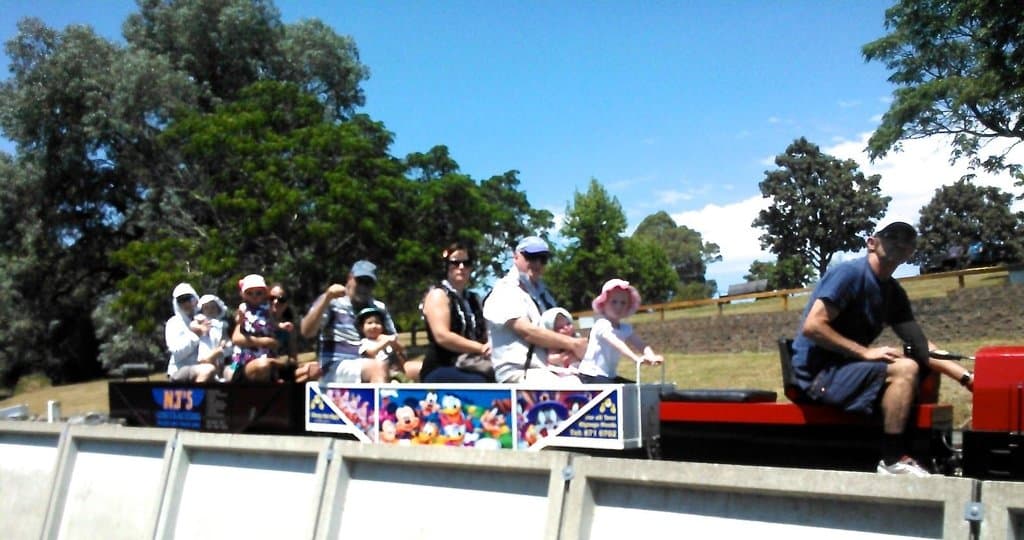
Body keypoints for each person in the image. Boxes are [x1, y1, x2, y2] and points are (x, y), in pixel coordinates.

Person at [790, 221, 975, 477]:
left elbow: (920, 345)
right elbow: (813, 326)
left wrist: (968, 379)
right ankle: (891, 460)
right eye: (892, 236)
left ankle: (919, 447)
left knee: (915, 356)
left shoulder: (893, 292)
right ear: (872, 243)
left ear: (911, 252)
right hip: (818, 374)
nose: (900, 243)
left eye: (908, 240)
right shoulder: (850, 274)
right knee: (905, 369)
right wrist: (865, 353)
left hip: (846, 368)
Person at [483, 236, 587, 383]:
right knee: (573, 386)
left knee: (601, 380)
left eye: (543, 259)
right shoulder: (505, 291)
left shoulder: (544, 294)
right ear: (516, 256)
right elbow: (528, 332)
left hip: (550, 368)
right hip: (519, 373)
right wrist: (572, 344)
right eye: (531, 257)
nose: (537, 263)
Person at [300, 260, 398, 383]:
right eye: (360, 281)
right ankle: (383, 401)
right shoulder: (332, 302)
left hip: (374, 364)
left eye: (368, 283)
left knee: (414, 370)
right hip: (335, 367)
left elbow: (394, 341)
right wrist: (327, 297)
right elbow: (306, 332)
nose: (363, 287)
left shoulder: (379, 308)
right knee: (376, 368)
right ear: (350, 278)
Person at [420, 243, 492, 383]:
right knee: (481, 381)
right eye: (455, 263)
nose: (461, 267)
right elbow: (442, 336)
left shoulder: (475, 299)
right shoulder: (438, 295)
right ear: (446, 266)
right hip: (443, 366)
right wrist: (481, 348)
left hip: (474, 363)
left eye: (466, 263)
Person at [577, 279, 664, 383]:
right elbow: (616, 343)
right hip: (590, 375)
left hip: (609, 375)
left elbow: (640, 344)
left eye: (623, 303)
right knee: (620, 392)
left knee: (635, 388)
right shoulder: (601, 324)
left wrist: (651, 356)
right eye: (614, 302)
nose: (618, 306)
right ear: (603, 304)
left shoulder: (625, 328)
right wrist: (635, 358)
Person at [227, 274, 287, 382]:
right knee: (232, 370)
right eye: (249, 293)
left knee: (269, 366)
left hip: (264, 351)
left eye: (258, 293)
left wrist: (281, 325)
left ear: (265, 294)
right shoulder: (243, 308)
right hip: (246, 351)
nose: (254, 296)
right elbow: (237, 333)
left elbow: (272, 322)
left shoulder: (266, 309)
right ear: (243, 295)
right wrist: (239, 318)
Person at [165, 283, 218, 382]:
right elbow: (177, 353)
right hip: (180, 369)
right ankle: (195, 396)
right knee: (207, 370)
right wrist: (196, 335)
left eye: (188, 298)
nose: (186, 304)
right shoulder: (173, 323)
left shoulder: (203, 319)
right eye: (181, 300)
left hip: (206, 365)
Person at [269, 283, 321, 383]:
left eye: (281, 299)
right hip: (265, 366)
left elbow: (293, 356)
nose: (275, 302)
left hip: (281, 366)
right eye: (271, 298)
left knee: (312, 371)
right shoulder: (258, 320)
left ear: (287, 303)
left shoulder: (289, 326)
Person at [357, 306, 409, 382]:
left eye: (377, 323)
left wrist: (393, 342)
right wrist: (385, 342)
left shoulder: (386, 340)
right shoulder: (364, 342)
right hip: (375, 373)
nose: (374, 326)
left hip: (393, 372)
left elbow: (401, 350)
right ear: (362, 328)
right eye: (369, 323)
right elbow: (371, 353)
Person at [195, 294, 231, 380]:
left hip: (220, 352)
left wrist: (224, 342)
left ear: (218, 309)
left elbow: (225, 338)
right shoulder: (200, 322)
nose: (210, 310)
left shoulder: (223, 324)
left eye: (213, 307)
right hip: (205, 351)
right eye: (206, 308)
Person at [540, 307, 582, 378]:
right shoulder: (554, 345)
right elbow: (551, 358)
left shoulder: (576, 338)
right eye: (560, 327)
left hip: (578, 368)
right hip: (562, 372)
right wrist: (561, 357)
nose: (566, 328)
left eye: (568, 324)